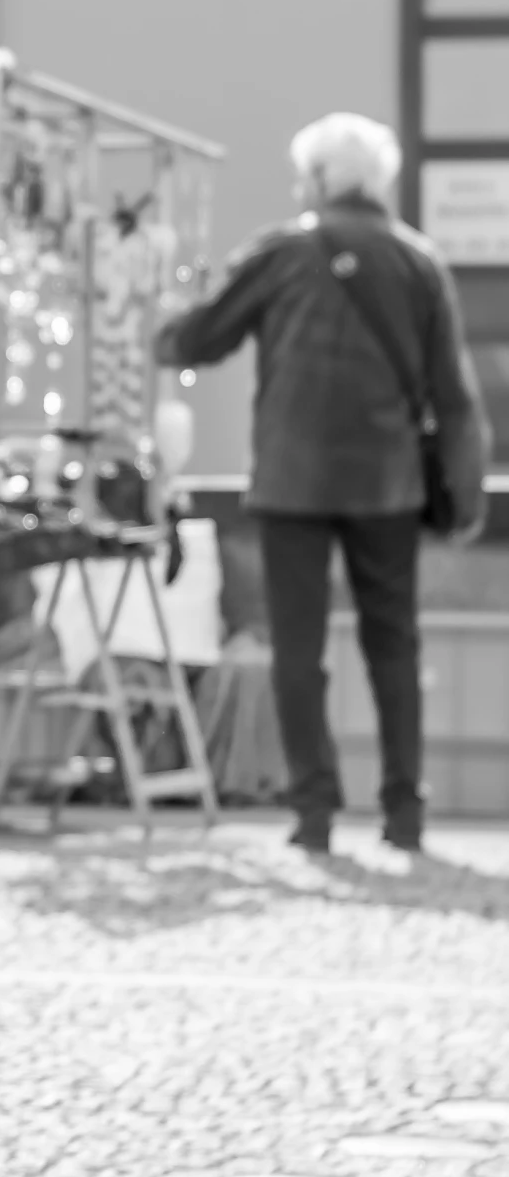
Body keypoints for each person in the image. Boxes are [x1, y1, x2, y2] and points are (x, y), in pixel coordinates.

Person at [155, 113, 492, 855]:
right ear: (377, 182)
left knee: (299, 651)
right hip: (389, 485)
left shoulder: (284, 252)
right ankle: (405, 813)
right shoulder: (419, 261)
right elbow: (455, 393)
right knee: (393, 647)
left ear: (318, 180)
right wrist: (465, 494)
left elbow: (202, 337)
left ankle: (314, 814)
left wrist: (160, 321)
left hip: (293, 480)